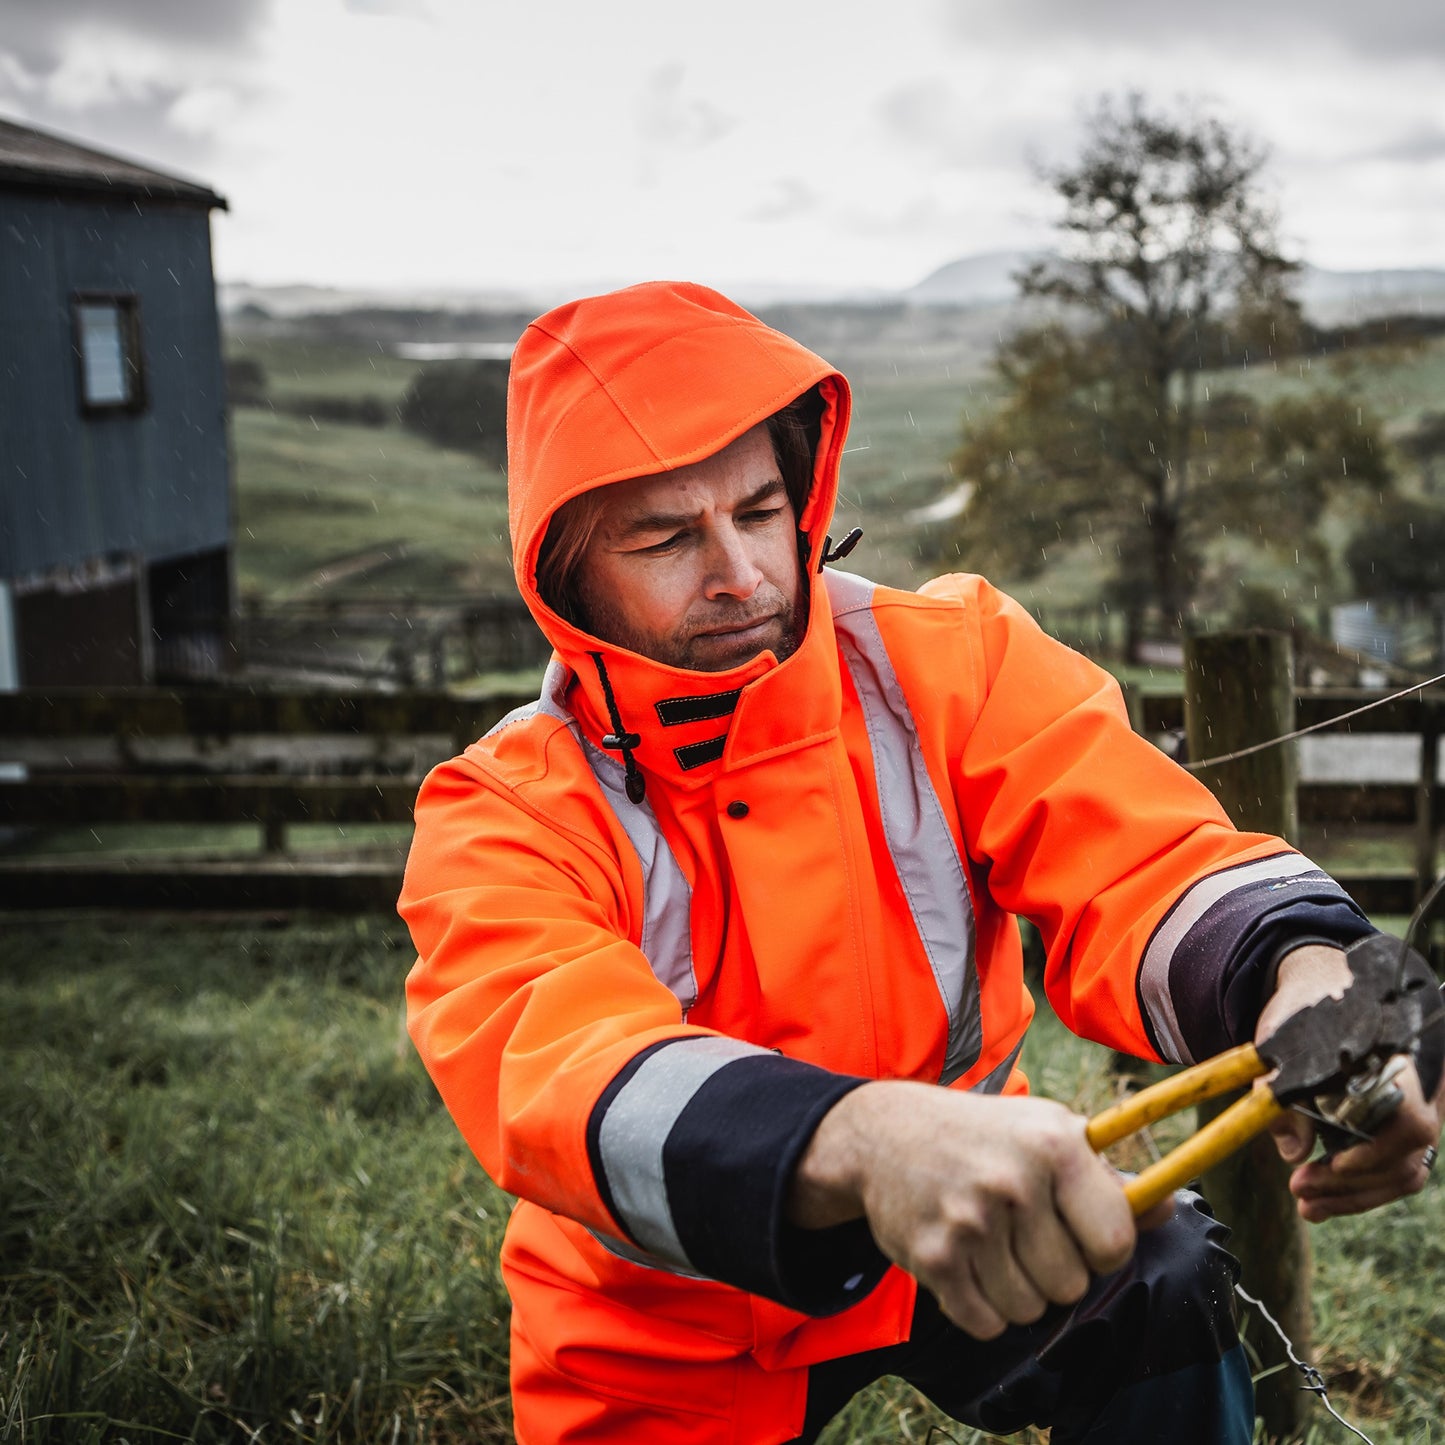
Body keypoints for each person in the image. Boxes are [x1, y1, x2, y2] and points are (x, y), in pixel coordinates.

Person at [400, 280, 1442, 1444]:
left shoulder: (949, 661)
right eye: (664, 537)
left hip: (967, 1209)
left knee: (1157, 1267)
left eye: (757, 509)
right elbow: (563, 1065)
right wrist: (861, 1141)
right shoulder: (500, 809)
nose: (741, 571)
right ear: (564, 578)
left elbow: (1138, 853)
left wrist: (1298, 965)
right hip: (659, 1325)